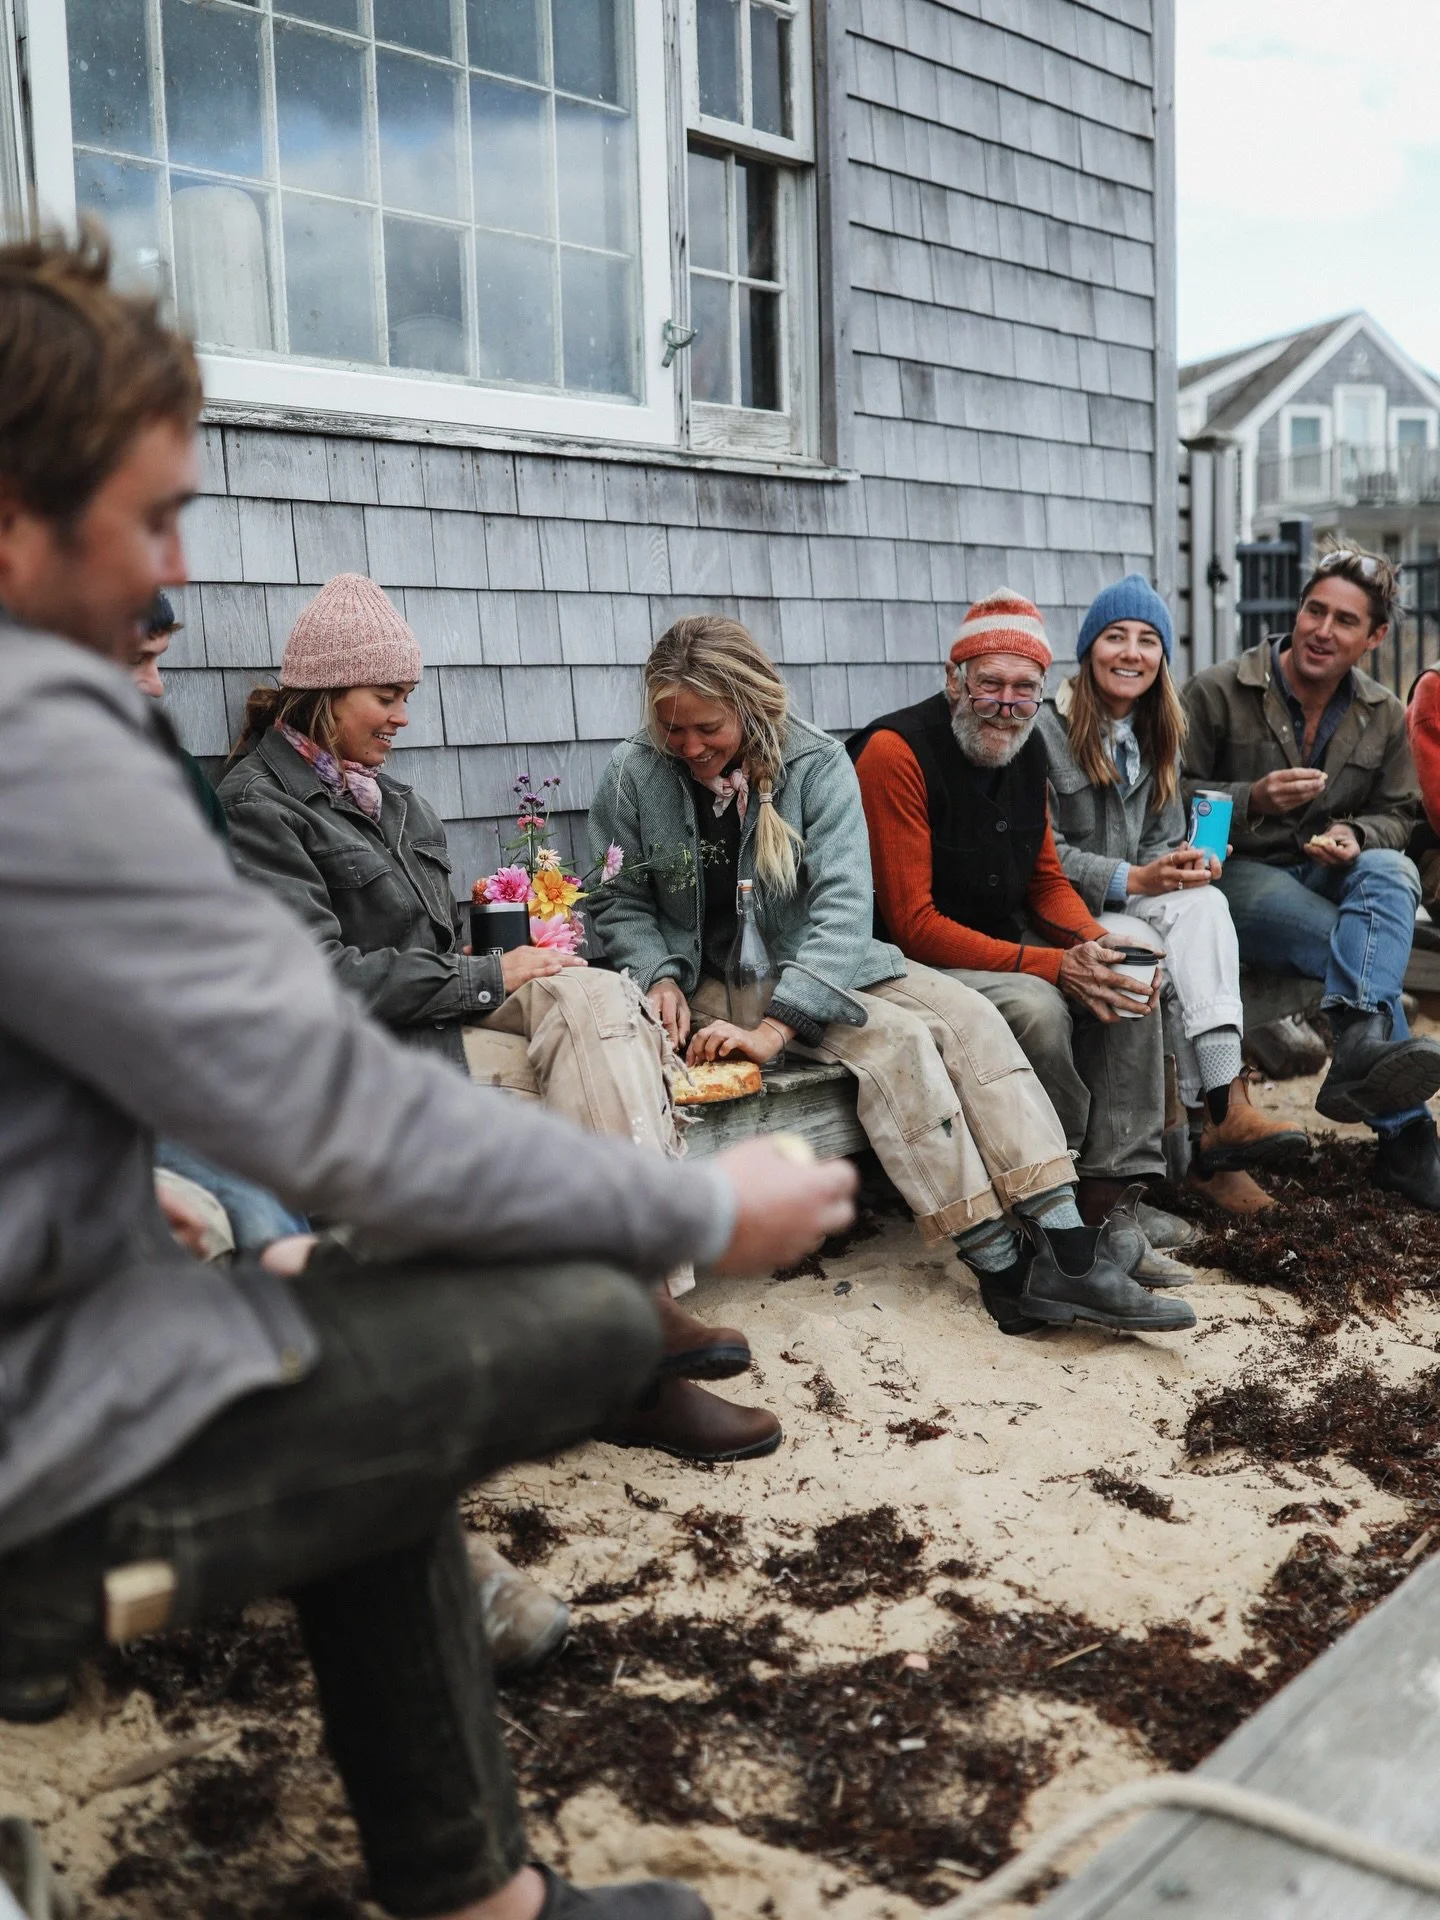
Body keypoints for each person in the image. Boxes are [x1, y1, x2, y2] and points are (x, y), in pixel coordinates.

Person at [0, 227, 857, 1920]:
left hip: (81, 1294)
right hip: (45, 1433)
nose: (170, 579)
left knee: (354, 1308)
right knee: (566, 1316)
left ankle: (476, 1895)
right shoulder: (56, 729)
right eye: (149, 516)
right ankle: (648, 1309)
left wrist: (131, 1198)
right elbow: (319, 1084)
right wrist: (677, 1198)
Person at [217, 574, 779, 1466]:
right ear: (324, 693)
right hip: (372, 1058)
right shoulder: (261, 805)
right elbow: (312, 981)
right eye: (386, 696)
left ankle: (639, 1320)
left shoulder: (393, 802)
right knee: (596, 1053)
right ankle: (641, 1352)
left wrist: (506, 937)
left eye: (408, 696)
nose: (404, 717)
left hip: (441, 1020)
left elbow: (435, 947)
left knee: (601, 996)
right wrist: (488, 970)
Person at [588, 614, 1194, 1338]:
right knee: (898, 1045)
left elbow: (845, 908)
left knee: (973, 1019)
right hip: (713, 978)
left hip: (826, 957)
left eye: (707, 729)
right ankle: (1003, 1269)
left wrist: (785, 1023)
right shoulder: (633, 772)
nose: (688, 747)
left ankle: (1065, 1246)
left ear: (750, 708)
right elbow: (618, 898)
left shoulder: (812, 764)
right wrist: (655, 973)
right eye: (672, 729)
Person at [850, 589, 1191, 1248]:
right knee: (1040, 1006)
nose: (1006, 706)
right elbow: (913, 922)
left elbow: (1044, 881)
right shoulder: (896, 752)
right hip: (902, 959)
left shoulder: (1028, 746)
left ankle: (1108, 1193)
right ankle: (1046, 1193)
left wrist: (1095, 944)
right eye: (989, 687)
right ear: (954, 681)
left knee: (1124, 968)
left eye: (1024, 690)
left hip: (992, 937)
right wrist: (1057, 965)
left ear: (1043, 692)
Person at [1182, 540, 1440, 1209]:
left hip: (1326, 873)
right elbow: (1162, 800)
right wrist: (1252, 800)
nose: (1323, 630)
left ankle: (1356, 1045)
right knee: (1356, 940)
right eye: (1314, 611)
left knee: (1389, 870)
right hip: (1236, 877)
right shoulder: (1218, 690)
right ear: (1297, 612)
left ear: (1375, 635)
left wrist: (1354, 836)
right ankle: (1408, 1140)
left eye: (1345, 620)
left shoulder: (1382, 713)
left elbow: (1402, 817)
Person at [1038, 576, 1308, 1214]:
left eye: (1148, 640)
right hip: (1067, 908)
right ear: (1089, 649)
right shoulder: (1046, 733)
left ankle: (1224, 1111)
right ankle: (1130, 1178)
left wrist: (1181, 865)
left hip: (1136, 897)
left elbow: (1158, 842)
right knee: (1139, 956)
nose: (1131, 652)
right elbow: (1040, 855)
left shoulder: (1162, 733)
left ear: (1162, 658)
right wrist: (1137, 879)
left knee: (1206, 905)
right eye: (1115, 637)